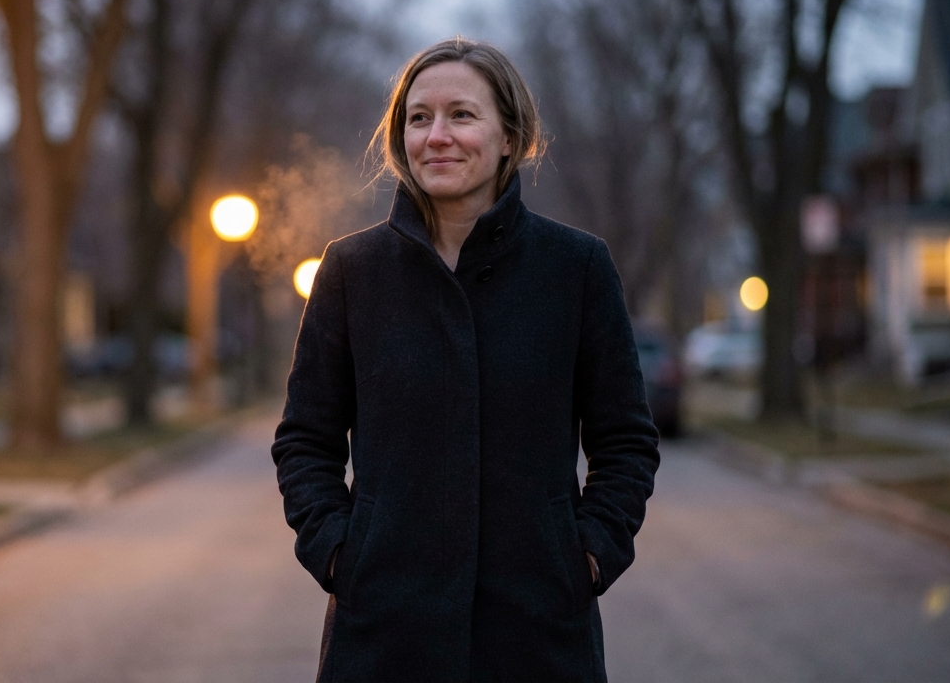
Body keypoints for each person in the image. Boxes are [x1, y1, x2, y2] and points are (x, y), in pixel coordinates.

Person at [272, 37, 660, 682]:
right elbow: (304, 440)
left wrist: (588, 554)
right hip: (382, 636)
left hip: (538, 635)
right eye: (418, 118)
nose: (437, 136)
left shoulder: (577, 269)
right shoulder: (350, 271)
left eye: (462, 115)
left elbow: (626, 440)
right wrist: (340, 553)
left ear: (511, 136)